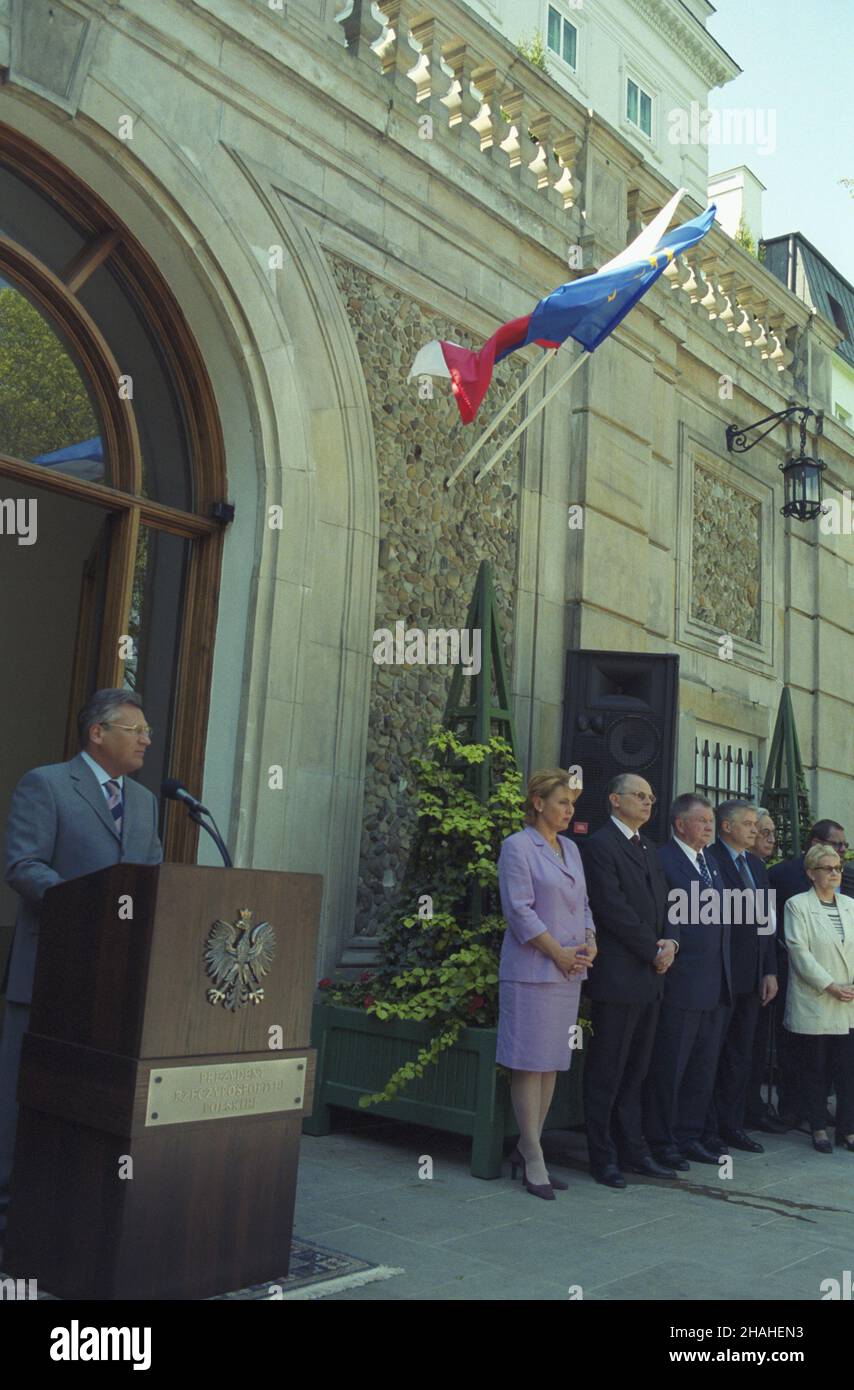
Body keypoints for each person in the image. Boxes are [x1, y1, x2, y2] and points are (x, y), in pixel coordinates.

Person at [0, 690, 162, 1239]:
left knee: (91, 1095)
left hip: (116, 978)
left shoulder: (144, 802)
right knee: (24, 1095)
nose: (146, 739)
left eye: (146, 731)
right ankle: (9, 1218)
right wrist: (89, 907)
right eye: (135, 729)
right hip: (50, 969)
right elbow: (23, 865)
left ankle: (74, 1216)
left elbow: (152, 878)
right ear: (98, 733)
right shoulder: (46, 784)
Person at [497, 769, 596, 1200]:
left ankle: (528, 1145)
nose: (568, 811)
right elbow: (519, 910)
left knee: (552, 1061)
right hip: (532, 969)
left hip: (569, 971)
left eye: (572, 804)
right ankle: (533, 1155)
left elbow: (584, 904)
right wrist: (556, 950)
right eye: (562, 802)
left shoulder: (571, 848)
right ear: (537, 802)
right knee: (528, 1061)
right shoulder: (517, 846)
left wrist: (590, 942)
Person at [580, 773, 678, 1189]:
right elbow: (611, 908)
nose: (648, 802)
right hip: (618, 978)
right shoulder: (599, 846)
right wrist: (652, 949)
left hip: (651, 979)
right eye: (639, 795)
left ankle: (632, 1149)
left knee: (637, 1071)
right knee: (607, 1070)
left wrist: (671, 942)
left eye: (652, 797)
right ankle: (602, 1157)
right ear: (615, 799)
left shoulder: (648, 848)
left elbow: (666, 901)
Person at [644, 794, 731, 1169]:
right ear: (680, 824)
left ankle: (689, 1135)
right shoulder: (665, 860)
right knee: (670, 1067)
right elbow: (666, 918)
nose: (709, 827)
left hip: (714, 983)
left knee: (702, 1067)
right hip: (681, 982)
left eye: (712, 821)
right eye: (702, 821)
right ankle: (662, 1141)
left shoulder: (710, 861)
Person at [706, 801, 777, 1153]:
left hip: (752, 978)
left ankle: (732, 1125)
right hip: (722, 977)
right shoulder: (711, 860)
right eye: (748, 824)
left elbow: (766, 925)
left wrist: (769, 971)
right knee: (712, 1054)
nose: (755, 830)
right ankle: (707, 1128)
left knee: (740, 1054)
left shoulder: (756, 865)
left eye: (756, 824)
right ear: (726, 827)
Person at [768, 819, 848, 1127]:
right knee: (796, 1051)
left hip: (841, 986)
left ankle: (819, 1111)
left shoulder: (846, 890)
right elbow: (771, 929)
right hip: (796, 977)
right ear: (816, 843)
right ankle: (793, 1109)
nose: (841, 852)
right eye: (836, 844)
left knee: (832, 1057)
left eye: (843, 847)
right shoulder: (780, 875)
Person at [783, 844, 854, 1154]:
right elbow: (799, 951)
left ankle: (848, 1129)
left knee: (847, 1069)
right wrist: (830, 985)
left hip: (849, 1000)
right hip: (817, 997)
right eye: (828, 868)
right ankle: (818, 1127)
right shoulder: (797, 905)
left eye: (838, 867)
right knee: (816, 1067)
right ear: (811, 873)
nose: (835, 873)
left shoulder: (851, 905)